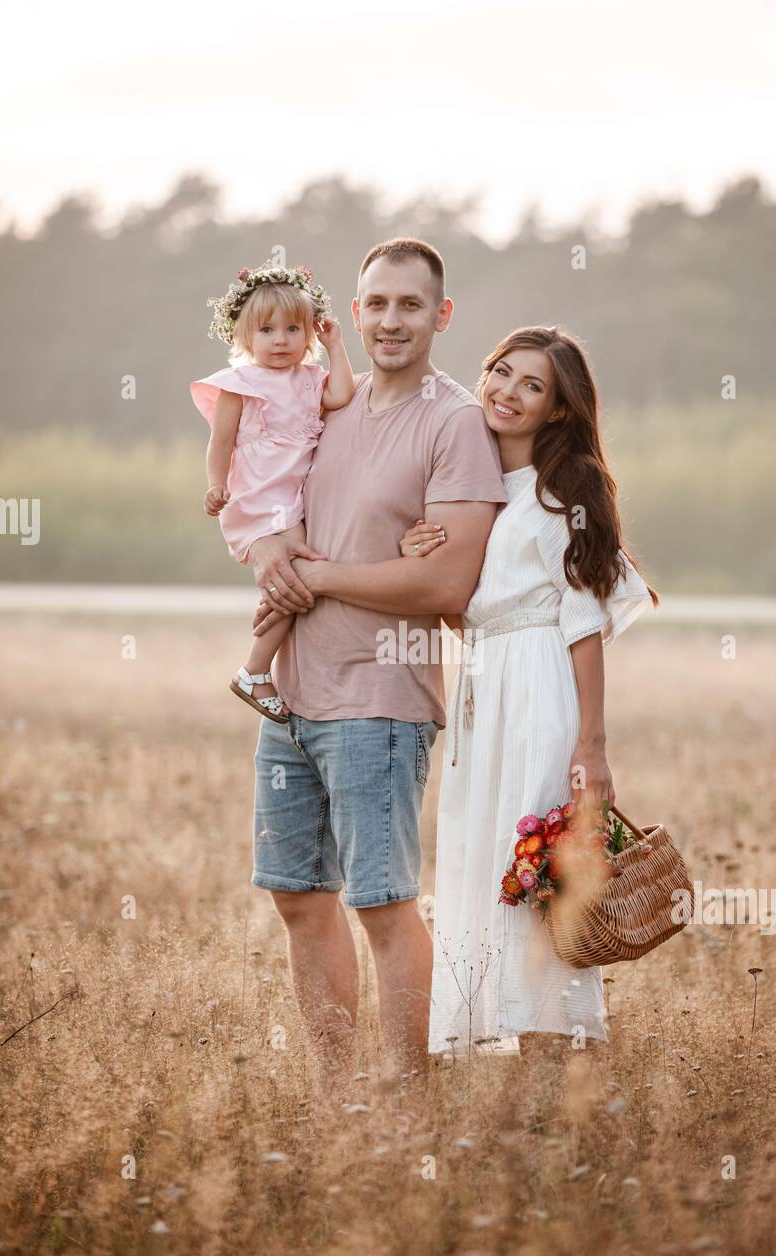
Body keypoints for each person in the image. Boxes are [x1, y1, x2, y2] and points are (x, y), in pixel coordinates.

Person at [247, 238, 508, 1085]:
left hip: (380, 699)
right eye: (377, 305)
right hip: (290, 697)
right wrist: (275, 563)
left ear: (442, 315)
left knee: (382, 904)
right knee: (297, 897)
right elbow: (265, 508)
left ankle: (408, 1098)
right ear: (350, 316)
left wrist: (326, 576)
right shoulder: (326, 410)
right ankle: (338, 1096)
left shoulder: (455, 421)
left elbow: (446, 577)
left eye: (410, 305)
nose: (391, 320)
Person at [397, 327, 658, 1063]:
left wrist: (591, 746)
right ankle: (505, 1041)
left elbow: (583, 622)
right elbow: (469, 610)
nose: (507, 393)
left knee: (537, 868)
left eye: (531, 386)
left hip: (540, 690)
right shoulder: (473, 490)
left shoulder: (564, 488)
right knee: (485, 861)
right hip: (484, 687)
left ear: (558, 409)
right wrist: (426, 558)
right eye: (500, 373)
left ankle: (559, 1050)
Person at [190, 260, 355, 721]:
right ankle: (255, 669)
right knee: (295, 573)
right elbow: (220, 442)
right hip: (255, 501)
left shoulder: (310, 380)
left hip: (292, 504)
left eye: (292, 329)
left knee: (294, 579)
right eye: (266, 330)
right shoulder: (238, 386)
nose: (280, 340)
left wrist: (337, 346)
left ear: (309, 334)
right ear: (244, 337)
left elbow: (342, 395)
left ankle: (255, 669)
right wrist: (215, 485)